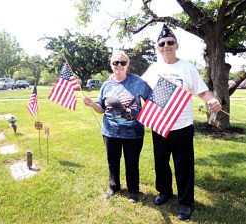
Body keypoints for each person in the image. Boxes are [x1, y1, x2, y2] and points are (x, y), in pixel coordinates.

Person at [141, 24, 222, 220]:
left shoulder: (187, 68)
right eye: (162, 43)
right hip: (159, 125)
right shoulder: (153, 69)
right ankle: (165, 192)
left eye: (170, 42)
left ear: (176, 45)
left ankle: (186, 202)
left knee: (183, 165)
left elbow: (202, 91)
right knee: (161, 163)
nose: (166, 45)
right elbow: (140, 88)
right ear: (158, 47)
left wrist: (212, 99)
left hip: (182, 126)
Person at [83, 51, 151, 203]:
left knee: (132, 163)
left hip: (133, 133)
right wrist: (92, 104)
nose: (119, 65)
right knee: (112, 161)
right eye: (116, 62)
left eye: (122, 62)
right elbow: (101, 108)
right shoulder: (107, 85)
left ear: (127, 65)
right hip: (110, 132)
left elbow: (151, 100)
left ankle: (133, 191)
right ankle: (114, 186)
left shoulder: (137, 82)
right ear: (111, 65)